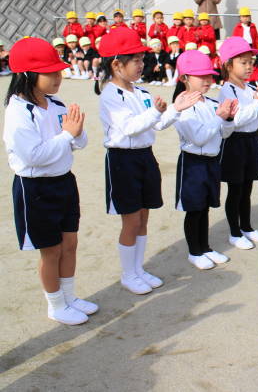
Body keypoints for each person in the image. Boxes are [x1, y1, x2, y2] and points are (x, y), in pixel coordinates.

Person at [95, 27, 201, 295]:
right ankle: (128, 274)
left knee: (143, 217)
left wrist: (175, 109)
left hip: (144, 157)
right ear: (116, 65)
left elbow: (156, 124)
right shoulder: (110, 94)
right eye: (136, 60)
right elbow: (129, 128)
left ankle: (138, 269)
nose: (142, 65)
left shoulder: (140, 92)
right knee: (131, 221)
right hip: (122, 160)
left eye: (142, 59)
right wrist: (155, 112)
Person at [3, 37, 97, 325]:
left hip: (64, 182)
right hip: (36, 188)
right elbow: (34, 156)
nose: (58, 77)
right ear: (27, 74)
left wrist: (76, 132)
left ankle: (69, 297)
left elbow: (79, 142)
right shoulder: (18, 111)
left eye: (58, 71)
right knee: (51, 250)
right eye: (50, 72)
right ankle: (56, 305)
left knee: (70, 243)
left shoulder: (56, 104)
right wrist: (67, 135)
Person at [172, 50, 239, 269]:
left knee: (205, 207)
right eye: (201, 76)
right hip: (192, 163)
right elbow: (198, 137)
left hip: (212, 161)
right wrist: (219, 117)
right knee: (194, 209)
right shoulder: (182, 105)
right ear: (185, 78)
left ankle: (205, 247)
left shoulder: (211, 103)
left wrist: (228, 119)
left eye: (209, 75)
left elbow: (224, 134)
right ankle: (194, 251)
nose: (208, 80)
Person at [217, 37, 258, 250]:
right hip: (235, 142)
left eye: (251, 62)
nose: (249, 66)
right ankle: (234, 232)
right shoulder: (227, 90)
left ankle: (246, 227)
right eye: (243, 62)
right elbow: (237, 119)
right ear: (228, 65)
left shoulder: (250, 88)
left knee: (247, 187)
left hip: (252, 140)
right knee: (236, 189)